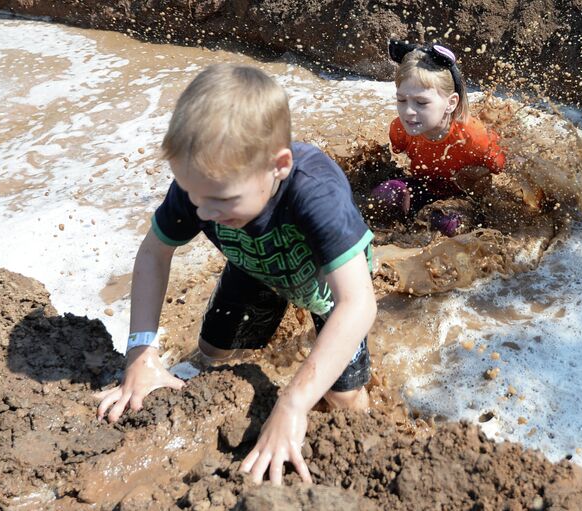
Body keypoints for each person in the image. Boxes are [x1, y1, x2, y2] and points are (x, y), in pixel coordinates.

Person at [94, 64, 376, 486]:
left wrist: (293, 404)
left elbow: (358, 303)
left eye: (221, 200)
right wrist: (141, 355)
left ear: (277, 166)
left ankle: (370, 451)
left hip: (324, 288)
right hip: (253, 268)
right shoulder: (204, 187)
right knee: (208, 353)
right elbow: (154, 253)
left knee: (343, 397)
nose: (204, 213)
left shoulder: (316, 193)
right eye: (192, 196)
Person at [370, 40, 506, 236]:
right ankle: (388, 239)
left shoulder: (474, 137)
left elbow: (501, 168)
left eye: (421, 102)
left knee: (442, 222)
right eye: (401, 100)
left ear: (451, 103)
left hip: (462, 199)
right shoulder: (400, 129)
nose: (408, 111)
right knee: (386, 195)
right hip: (423, 187)